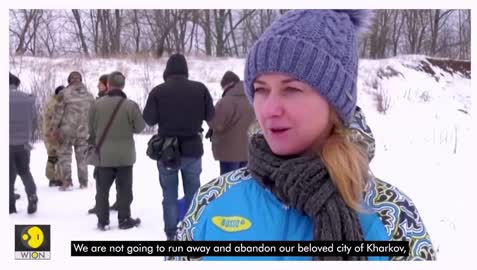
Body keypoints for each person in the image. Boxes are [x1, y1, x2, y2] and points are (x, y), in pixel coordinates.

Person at [171, 10, 436, 261]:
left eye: (292, 89)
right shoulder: (214, 199)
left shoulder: (393, 216)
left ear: (335, 103)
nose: (270, 109)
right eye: (261, 90)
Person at [143, 53, 215, 240]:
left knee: (169, 195)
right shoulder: (200, 89)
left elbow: (148, 119)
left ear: (167, 70)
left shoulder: (158, 91)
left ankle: (171, 234)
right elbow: (211, 116)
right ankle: (193, 230)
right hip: (193, 149)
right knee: (193, 192)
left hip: (168, 151)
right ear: (186, 70)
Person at [88, 71, 145, 230]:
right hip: (125, 156)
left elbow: (90, 129)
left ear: (109, 84)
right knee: (124, 189)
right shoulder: (130, 105)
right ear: (123, 85)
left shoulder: (96, 105)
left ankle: (102, 221)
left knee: (102, 190)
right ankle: (124, 219)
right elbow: (140, 127)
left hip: (103, 155)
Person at [49, 71, 95, 190]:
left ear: (69, 81)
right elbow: (93, 114)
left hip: (66, 131)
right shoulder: (90, 96)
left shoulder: (64, 94)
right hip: (84, 131)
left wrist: (53, 129)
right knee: (82, 157)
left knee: (64, 156)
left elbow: (58, 113)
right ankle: (84, 182)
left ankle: (67, 182)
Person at [207, 71, 256, 175]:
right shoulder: (252, 99)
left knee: (228, 184)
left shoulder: (226, 102)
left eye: (223, 87)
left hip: (228, 153)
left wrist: (209, 120)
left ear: (229, 84)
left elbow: (216, 124)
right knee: (242, 183)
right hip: (247, 151)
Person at [88, 74, 119, 214]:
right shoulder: (120, 99)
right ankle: (118, 202)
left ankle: (102, 205)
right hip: (116, 145)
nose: (97, 86)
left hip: (104, 145)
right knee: (118, 176)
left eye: (99, 84)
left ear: (107, 85)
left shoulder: (101, 102)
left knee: (102, 177)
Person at [9, 72, 38, 214]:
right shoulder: (27, 99)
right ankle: (32, 196)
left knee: (7, 176)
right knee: (25, 172)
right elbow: (33, 118)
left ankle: (10, 205)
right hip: (23, 144)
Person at [43, 85, 65, 187]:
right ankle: (57, 178)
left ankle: (53, 178)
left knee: (53, 156)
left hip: (50, 133)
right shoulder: (55, 104)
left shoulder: (53, 101)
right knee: (57, 155)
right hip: (52, 134)